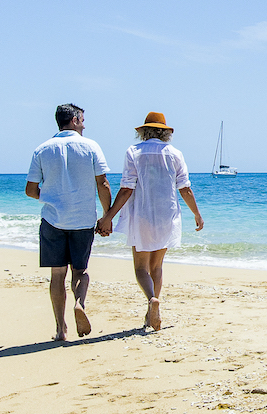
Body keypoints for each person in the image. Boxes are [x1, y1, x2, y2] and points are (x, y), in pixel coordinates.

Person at [98, 111, 202, 332]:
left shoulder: (134, 152)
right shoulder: (175, 154)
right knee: (157, 266)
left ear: (144, 131)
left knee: (140, 267)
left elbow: (127, 188)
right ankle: (152, 310)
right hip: (167, 215)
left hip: (142, 214)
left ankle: (151, 301)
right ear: (165, 133)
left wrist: (108, 216)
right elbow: (185, 188)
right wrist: (197, 214)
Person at [25, 104, 114, 343]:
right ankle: (79, 303)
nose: (85, 125)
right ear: (74, 120)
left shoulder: (41, 150)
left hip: (53, 220)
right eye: (83, 120)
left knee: (57, 275)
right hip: (83, 220)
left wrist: (51, 196)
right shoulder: (91, 146)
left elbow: (30, 190)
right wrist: (107, 216)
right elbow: (103, 184)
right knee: (80, 270)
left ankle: (60, 329)